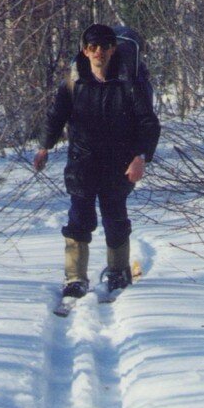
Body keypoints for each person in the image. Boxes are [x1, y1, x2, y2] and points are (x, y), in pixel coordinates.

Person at [33, 24, 161, 298]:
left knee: (115, 219)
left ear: (113, 49)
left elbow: (148, 123)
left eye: (104, 46)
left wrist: (140, 157)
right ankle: (75, 278)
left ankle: (118, 272)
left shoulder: (130, 82)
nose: (98, 52)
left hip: (118, 162)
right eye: (93, 47)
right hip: (83, 160)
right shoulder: (75, 81)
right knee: (79, 218)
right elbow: (57, 115)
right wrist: (44, 146)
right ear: (85, 50)